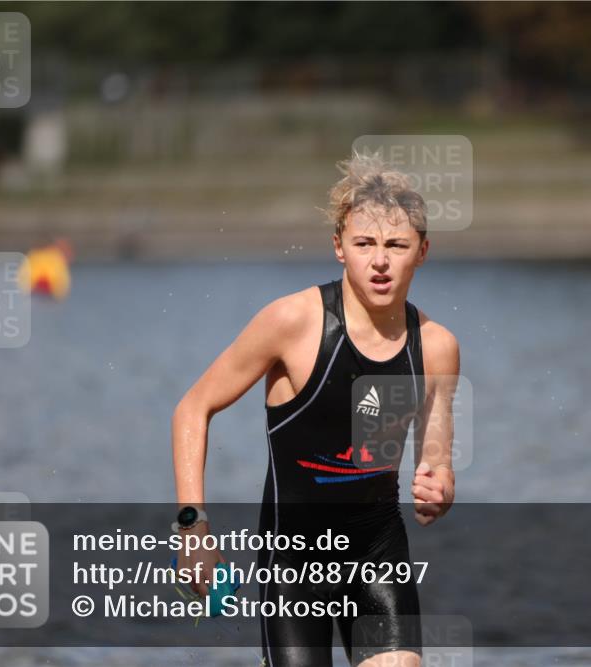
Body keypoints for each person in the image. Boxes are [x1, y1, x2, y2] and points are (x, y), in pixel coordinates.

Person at [172, 153, 459, 667]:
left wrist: (438, 490)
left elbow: (436, 463)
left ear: (422, 251)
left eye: (396, 246)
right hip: (293, 565)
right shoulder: (292, 323)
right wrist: (193, 531)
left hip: (378, 552)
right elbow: (193, 408)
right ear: (339, 247)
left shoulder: (436, 348)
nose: (379, 261)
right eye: (364, 244)